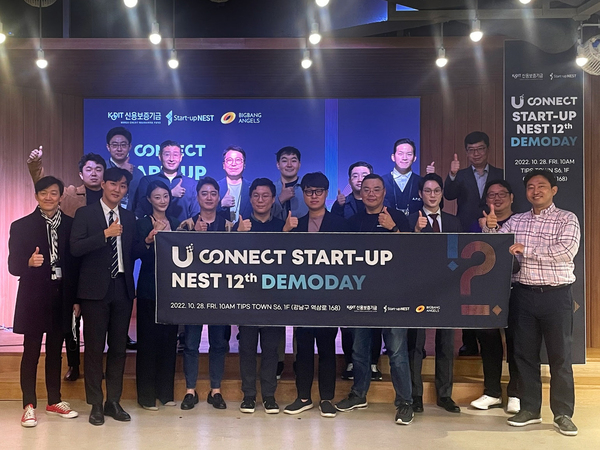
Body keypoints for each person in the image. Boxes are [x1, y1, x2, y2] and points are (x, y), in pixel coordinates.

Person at [483, 169, 580, 436]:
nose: (535, 191)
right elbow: (497, 245)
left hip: (556, 296)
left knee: (561, 357)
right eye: (530, 187)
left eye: (541, 186)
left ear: (553, 190)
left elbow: (566, 251)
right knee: (524, 355)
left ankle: (562, 414)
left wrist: (528, 250)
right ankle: (529, 409)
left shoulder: (567, 219)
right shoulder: (517, 221)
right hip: (523, 295)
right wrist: (490, 228)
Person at [335, 174, 415, 425]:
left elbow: (412, 252)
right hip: (362, 295)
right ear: (360, 192)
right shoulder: (353, 221)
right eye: (366, 189)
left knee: (397, 352)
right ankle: (359, 394)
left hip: (393, 295)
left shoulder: (397, 217)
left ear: (384, 192)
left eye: (376, 189)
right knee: (359, 349)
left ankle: (405, 402)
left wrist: (393, 228)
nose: (371, 194)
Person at [27, 148, 107, 381]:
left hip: (98, 266)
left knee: (96, 322)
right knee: (71, 320)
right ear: (81, 174)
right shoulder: (70, 194)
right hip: (73, 263)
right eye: (89, 169)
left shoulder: (109, 197)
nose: (94, 173)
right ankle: (73, 364)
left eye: (98, 169)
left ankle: (95, 366)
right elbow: (45, 185)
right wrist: (35, 166)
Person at [8, 176, 80, 427]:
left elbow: (76, 265)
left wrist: (76, 299)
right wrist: (28, 262)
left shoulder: (71, 225)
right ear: (36, 196)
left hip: (62, 294)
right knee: (31, 351)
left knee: (55, 351)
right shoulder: (21, 226)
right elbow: (12, 266)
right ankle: (28, 405)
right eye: (43, 193)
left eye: (53, 193)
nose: (49, 197)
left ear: (61, 196)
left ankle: (54, 400)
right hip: (34, 294)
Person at [70, 167, 136, 426]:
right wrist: (104, 235)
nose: (118, 189)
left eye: (123, 185)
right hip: (94, 291)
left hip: (122, 288)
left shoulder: (129, 217)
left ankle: (113, 402)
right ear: (103, 185)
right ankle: (96, 404)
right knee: (95, 349)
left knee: (118, 349)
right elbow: (75, 248)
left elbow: (133, 251)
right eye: (113, 184)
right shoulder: (85, 214)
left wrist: (149, 240)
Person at [283, 172, 348, 418]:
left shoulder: (340, 225)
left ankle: (327, 398)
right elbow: (282, 258)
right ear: (303, 194)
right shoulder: (295, 225)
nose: (313, 196)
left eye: (318, 191)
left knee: (327, 347)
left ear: (326, 193)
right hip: (302, 296)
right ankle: (303, 397)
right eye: (309, 191)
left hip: (330, 296)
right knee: (303, 348)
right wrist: (285, 232)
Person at [234, 178, 295, 414]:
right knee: (247, 349)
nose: (260, 200)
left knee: (271, 350)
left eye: (265, 196)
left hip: (274, 299)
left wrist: (286, 234)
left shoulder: (283, 226)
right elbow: (228, 260)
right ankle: (249, 395)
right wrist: (237, 235)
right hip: (246, 298)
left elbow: (291, 260)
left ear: (272, 199)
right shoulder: (241, 225)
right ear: (250, 199)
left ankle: (269, 396)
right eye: (256, 196)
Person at [444, 131, 503, 357]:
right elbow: (448, 195)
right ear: (466, 153)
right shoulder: (459, 175)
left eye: (480, 149)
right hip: (466, 233)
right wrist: (452, 174)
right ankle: (468, 341)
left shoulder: (500, 173)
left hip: (494, 232)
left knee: (487, 285)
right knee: (466, 286)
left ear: (487, 149)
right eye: (471, 150)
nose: (476, 153)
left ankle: (491, 339)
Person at [407, 173, 462, 414]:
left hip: (446, 288)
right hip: (417, 289)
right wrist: (415, 233)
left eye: (437, 190)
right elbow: (404, 256)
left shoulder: (453, 221)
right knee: (416, 343)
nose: (432, 195)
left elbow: (457, 253)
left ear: (442, 193)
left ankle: (445, 395)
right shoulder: (410, 220)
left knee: (446, 342)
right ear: (420, 194)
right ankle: (415, 394)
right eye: (427, 191)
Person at [179, 177, 231, 411]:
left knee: (218, 343)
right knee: (191, 343)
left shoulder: (230, 225)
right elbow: (178, 258)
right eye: (204, 193)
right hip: (193, 295)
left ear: (218, 197)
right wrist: (194, 236)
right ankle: (190, 390)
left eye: (213, 193)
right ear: (197, 197)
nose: (209, 197)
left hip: (221, 295)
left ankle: (215, 390)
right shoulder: (186, 225)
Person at [468, 180, 520, 414]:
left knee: (517, 342)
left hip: (516, 288)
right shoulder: (476, 224)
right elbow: (470, 256)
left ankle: (516, 394)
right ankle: (492, 392)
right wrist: (485, 230)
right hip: (486, 291)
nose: (497, 199)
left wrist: (496, 231)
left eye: (502, 194)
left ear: (511, 198)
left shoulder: (521, 222)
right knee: (488, 341)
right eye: (491, 195)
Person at [331, 161, 383, 381]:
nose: (360, 179)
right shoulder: (342, 204)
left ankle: (373, 362)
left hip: (377, 272)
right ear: (350, 180)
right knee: (348, 320)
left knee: (375, 319)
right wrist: (338, 207)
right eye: (355, 176)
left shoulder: (384, 206)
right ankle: (351, 361)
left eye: (364, 175)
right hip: (349, 272)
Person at [133, 181, 179, 411]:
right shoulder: (141, 223)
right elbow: (134, 253)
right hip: (149, 289)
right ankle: (146, 396)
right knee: (148, 342)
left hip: (173, 290)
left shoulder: (178, 223)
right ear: (149, 199)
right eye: (157, 197)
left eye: (165, 196)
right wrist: (148, 241)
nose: (162, 201)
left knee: (169, 342)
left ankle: (165, 392)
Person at [134, 140, 200, 222]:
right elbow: (143, 208)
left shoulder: (191, 184)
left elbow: (196, 213)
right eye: (167, 154)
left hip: (183, 229)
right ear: (160, 157)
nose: (171, 159)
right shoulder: (147, 181)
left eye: (175, 155)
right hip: (154, 228)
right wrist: (171, 193)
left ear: (180, 158)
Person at [382, 138, 434, 217]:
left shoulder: (422, 182)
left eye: (409, 154)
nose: (404, 158)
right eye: (400, 154)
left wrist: (431, 180)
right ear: (393, 157)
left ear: (414, 158)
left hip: (416, 224)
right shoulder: (382, 182)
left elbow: (436, 205)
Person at [105, 126, 144, 211]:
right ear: (108, 147)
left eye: (123, 145)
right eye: (115, 145)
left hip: (129, 217)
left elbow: (141, 202)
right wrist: (121, 172)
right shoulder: (101, 169)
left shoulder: (138, 174)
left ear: (129, 147)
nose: (119, 149)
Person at [217, 145, 252, 223]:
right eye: (229, 160)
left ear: (244, 165)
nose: (233, 164)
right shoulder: (215, 188)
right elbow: (204, 213)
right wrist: (220, 204)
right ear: (223, 165)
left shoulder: (252, 188)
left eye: (238, 160)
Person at [272, 146, 307, 220]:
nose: (289, 165)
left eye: (293, 161)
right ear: (278, 165)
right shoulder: (270, 189)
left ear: (299, 165)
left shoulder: (308, 188)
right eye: (284, 161)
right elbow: (263, 217)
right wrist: (280, 200)